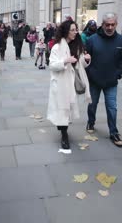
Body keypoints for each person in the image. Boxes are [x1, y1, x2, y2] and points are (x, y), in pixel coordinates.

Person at [47, 19, 91, 153]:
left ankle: (63, 129)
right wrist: (65, 61)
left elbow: (79, 64)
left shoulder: (76, 45)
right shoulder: (57, 47)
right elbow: (52, 65)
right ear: (66, 31)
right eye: (72, 30)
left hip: (70, 83)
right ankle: (64, 136)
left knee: (66, 110)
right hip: (60, 84)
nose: (75, 32)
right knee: (62, 110)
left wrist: (86, 59)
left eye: (76, 29)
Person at [85, 13, 122, 147]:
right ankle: (91, 122)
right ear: (102, 24)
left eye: (112, 24)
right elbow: (86, 59)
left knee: (112, 107)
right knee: (92, 104)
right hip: (94, 81)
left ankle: (114, 132)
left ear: (116, 24)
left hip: (111, 81)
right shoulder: (92, 39)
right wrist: (90, 74)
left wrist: (118, 74)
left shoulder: (121, 40)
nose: (110, 27)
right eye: (107, 24)